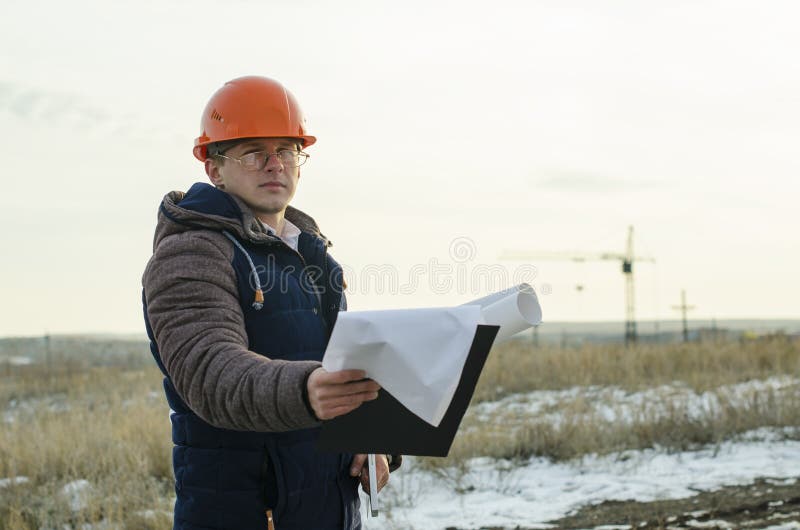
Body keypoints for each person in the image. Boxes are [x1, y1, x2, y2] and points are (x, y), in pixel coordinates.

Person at [142, 75, 400, 530]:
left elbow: (342, 366)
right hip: (241, 511)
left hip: (330, 511)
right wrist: (306, 391)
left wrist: (369, 433)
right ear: (214, 167)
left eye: (286, 150)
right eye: (253, 151)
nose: (274, 164)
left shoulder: (313, 253)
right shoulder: (191, 252)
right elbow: (208, 370)